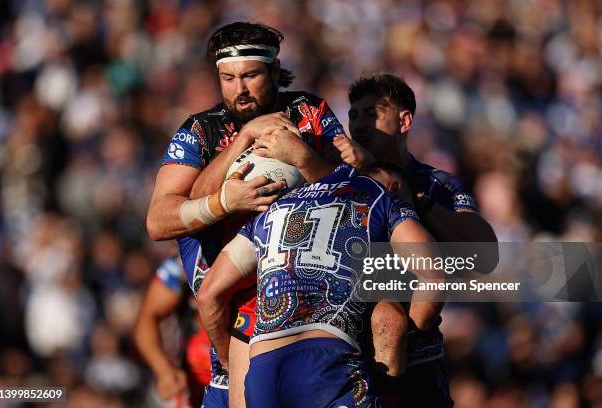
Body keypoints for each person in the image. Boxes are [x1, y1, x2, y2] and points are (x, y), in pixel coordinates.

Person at [146, 22, 344, 407]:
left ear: (273, 70)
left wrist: (305, 158)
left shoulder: (310, 112)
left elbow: (352, 194)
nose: (240, 88)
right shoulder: (200, 131)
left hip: (306, 303)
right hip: (232, 316)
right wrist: (242, 146)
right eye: (228, 78)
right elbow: (159, 220)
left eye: (250, 75)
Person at [197, 162, 444, 407]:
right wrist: (412, 341)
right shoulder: (381, 197)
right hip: (327, 363)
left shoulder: (271, 212)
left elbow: (209, 294)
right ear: (394, 187)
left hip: (262, 373)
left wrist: (227, 362)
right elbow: (433, 274)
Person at [333, 73, 498, 406]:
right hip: (346, 347)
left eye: (372, 114)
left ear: (404, 120)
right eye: (354, 115)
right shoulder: (334, 181)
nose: (360, 124)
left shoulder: (438, 185)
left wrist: (412, 196)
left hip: (419, 354)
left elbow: (485, 256)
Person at [134, 256, 210, 407]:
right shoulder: (183, 264)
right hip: (197, 384)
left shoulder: (259, 250)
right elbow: (148, 316)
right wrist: (163, 369)